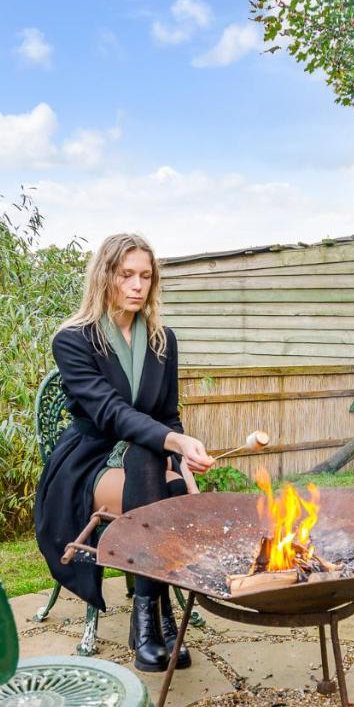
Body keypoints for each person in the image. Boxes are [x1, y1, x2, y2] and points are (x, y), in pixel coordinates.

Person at [34, 233, 214, 672]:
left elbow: (167, 416)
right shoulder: (74, 340)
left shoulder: (162, 340)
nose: (137, 285)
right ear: (105, 277)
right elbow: (111, 413)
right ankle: (152, 621)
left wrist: (183, 461)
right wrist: (170, 445)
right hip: (89, 458)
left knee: (161, 471)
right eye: (126, 275)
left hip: (145, 458)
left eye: (145, 276)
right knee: (150, 458)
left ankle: (153, 615)